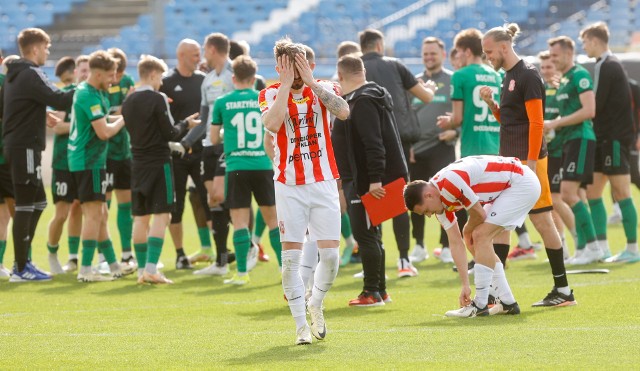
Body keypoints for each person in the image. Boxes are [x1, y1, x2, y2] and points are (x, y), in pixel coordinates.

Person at [260, 37, 349, 345]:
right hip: (288, 185)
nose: (295, 76)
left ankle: (316, 304)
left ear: (310, 65)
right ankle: (300, 327)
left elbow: (344, 112)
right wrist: (285, 86)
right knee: (290, 262)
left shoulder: (326, 87)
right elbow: (271, 124)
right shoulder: (270, 92)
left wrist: (310, 82)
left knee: (331, 257)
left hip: (324, 182)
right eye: (288, 70)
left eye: (300, 69)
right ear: (278, 69)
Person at [480, 24, 576, 308]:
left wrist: (531, 165)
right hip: (511, 160)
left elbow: (536, 123)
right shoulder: (509, 76)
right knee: (500, 224)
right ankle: (499, 295)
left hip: (528, 162)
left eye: (488, 52)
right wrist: (492, 105)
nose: (487, 57)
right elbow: (511, 122)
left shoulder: (528, 75)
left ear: (504, 47)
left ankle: (563, 290)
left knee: (542, 220)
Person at [404, 155, 533, 317]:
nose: (429, 215)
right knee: (475, 240)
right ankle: (508, 302)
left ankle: (480, 304)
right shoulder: (440, 202)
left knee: (479, 235)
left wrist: (467, 230)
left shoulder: (448, 182)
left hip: (520, 182)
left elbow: (478, 214)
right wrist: (465, 285)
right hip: (507, 188)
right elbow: (456, 243)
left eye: (426, 211)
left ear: (428, 195)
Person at [359, 28, 436, 277]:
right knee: (398, 199)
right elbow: (425, 97)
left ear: (363, 47)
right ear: (380, 46)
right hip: (396, 143)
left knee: (370, 201)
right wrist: (430, 88)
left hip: (365, 144)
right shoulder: (395, 65)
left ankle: (374, 263)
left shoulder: (355, 68)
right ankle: (404, 260)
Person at [0, 28, 74, 282]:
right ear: (34, 49)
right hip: (24, 148)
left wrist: (42, 114)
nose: (47, 52)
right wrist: (87, 88)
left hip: (19, 146)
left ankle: (22, 261)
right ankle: (21, 267)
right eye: (46, 47)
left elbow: (20, 106)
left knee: (39, 202)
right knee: (24, 205)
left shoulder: (16, 75)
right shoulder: (31, 73)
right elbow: (60, 99)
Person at [334, 54, 408, 306]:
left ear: (340, 75)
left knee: (365, 235)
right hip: (366, 178)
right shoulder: (367, 96)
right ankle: (380, 290)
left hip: (367, 180)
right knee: (371, 235)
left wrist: (375, 179)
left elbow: (373, 143)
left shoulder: (363, 101)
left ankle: (372, 291)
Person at [122, 55, 198, 284]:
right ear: (153, 74)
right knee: (162, 214)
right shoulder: (157, 98)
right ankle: (152, 269)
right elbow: (170, 133)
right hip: (158, 162)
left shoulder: (129, 100)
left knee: (140, 217)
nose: (161, 83)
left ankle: (141, 270)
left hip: (137, 162)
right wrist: (186, 123)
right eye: (160, 77)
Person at [210, 55, 279, 285]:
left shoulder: (222, 102)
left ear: (233, 77)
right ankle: (284, 271)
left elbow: (212, 138)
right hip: (262, 165)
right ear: (254, 77)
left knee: (239, 221)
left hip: (236, 166)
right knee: (273, 220)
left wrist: (225, 133)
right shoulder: (264, 99)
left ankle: (241, 274)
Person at [580, 22, 639, 263]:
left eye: (585, 42)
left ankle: (633, 249)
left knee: (621, 192)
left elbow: (596, 105)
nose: (584, 46)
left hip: (614, 139)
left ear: (594, 41)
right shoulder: (605, 65)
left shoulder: (608, 64)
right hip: (603, 139)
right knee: (593, 192)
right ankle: (602, 247)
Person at [68, 50, 128, 282]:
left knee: (101, 213)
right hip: (88, 162)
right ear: (99, 73)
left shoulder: (96, 92)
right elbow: (103, 132)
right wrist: (125, 119)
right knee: (93, 215)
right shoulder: (87, 95)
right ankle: (85, 270)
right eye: (111, 74)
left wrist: (123, 117)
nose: (114, 79)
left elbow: (104, 120)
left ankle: (113, 265)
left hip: (92, 161)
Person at [409, 36, 465, 265]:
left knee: (448, 197)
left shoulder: (454, 80)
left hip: (442, 147)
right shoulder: (413, 82)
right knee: (413, 199)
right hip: (416, 150)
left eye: (433, 53)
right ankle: (419, 245)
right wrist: (408, 145)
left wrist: (456, 132)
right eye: (425, 54)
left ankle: (446, 246)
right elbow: (405, 116)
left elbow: (466, 114)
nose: (429, 57)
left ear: (443, 55)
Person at [181, 33, 234, 273]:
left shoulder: (236, 75)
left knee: (228, 197)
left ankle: (250, 245)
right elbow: (204, 120)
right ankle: (221, 260)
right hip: (209, 146)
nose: (203, 54)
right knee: (212, 198)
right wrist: (185, 142)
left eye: (204, 49)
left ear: (212, 49)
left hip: (230, 145)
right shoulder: (208, 80)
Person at [545, 36, 600, 265]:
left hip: (581, 138)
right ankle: (587, 248)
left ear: (569, 53)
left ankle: (593, 247)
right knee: (569, 195)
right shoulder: (564, 79)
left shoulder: (579, 75)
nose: (552, 59)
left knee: (568, 194)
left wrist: (556, 123)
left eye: (555, 55)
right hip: (568, 141)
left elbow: (589, 111)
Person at [160, 39, 209, 269]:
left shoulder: (204, 81)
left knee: (210, 200)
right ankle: (180, 255)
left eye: (199, 54)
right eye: (194, 54)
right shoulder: (166, 82)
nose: (198, 59)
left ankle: (215, 250)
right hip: (175, 153)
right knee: (176, 205)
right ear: (181, 55)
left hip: (200, 151)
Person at [47, 55, 88, 274]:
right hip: (64, 161)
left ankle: (75, 258)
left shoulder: (94, 94)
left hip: (85, 161)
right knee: (62, 212)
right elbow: (58, 126)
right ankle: (52, 254)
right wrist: (84, 123)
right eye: (82, 70)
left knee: (81, 208)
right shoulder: (68, 95)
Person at [437, 28, 502, 158]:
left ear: (467, 52)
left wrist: (448, 121)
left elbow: (457, 119)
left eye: (459, 51)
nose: (457, 55)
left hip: (472, 149)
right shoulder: (497, 75)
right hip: (496, 147)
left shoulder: (459, 75)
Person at [537, 50, 575, 260]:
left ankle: (583, 241)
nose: (546, 71)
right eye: (542, 68)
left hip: (562, 151)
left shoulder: (564, 89)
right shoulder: (542, 91)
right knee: (550, 202)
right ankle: (564, 248)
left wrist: (552, 128)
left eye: (549, 67)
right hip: (546, 153)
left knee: (560, 200)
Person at [0, 54, 19, 278]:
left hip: (6, 155)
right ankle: (24, 263)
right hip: (6, 157)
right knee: (18, 211)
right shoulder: (7, 82)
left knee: (5, 214)